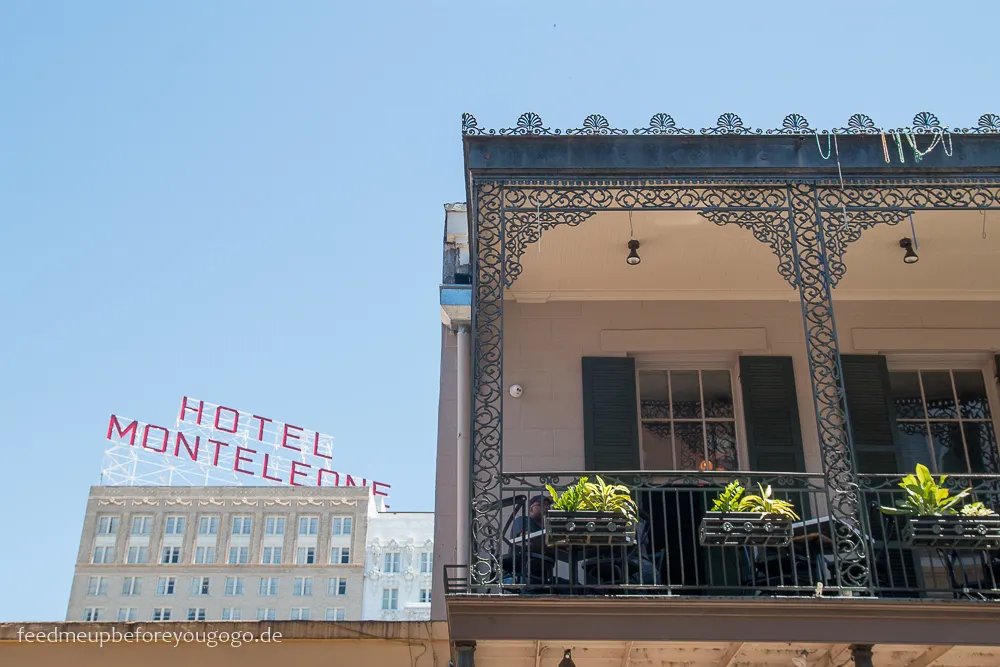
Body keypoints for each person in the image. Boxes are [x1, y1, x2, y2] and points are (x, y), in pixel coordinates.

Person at [506, 494, 555, 586]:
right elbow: (525, 540)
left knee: (576, 588)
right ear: (531, 508)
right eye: (541, 504)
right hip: (522, 575)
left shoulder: (547, 529)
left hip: (542, 577)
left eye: (548, 505)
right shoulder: (523, 520)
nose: (546, 507)